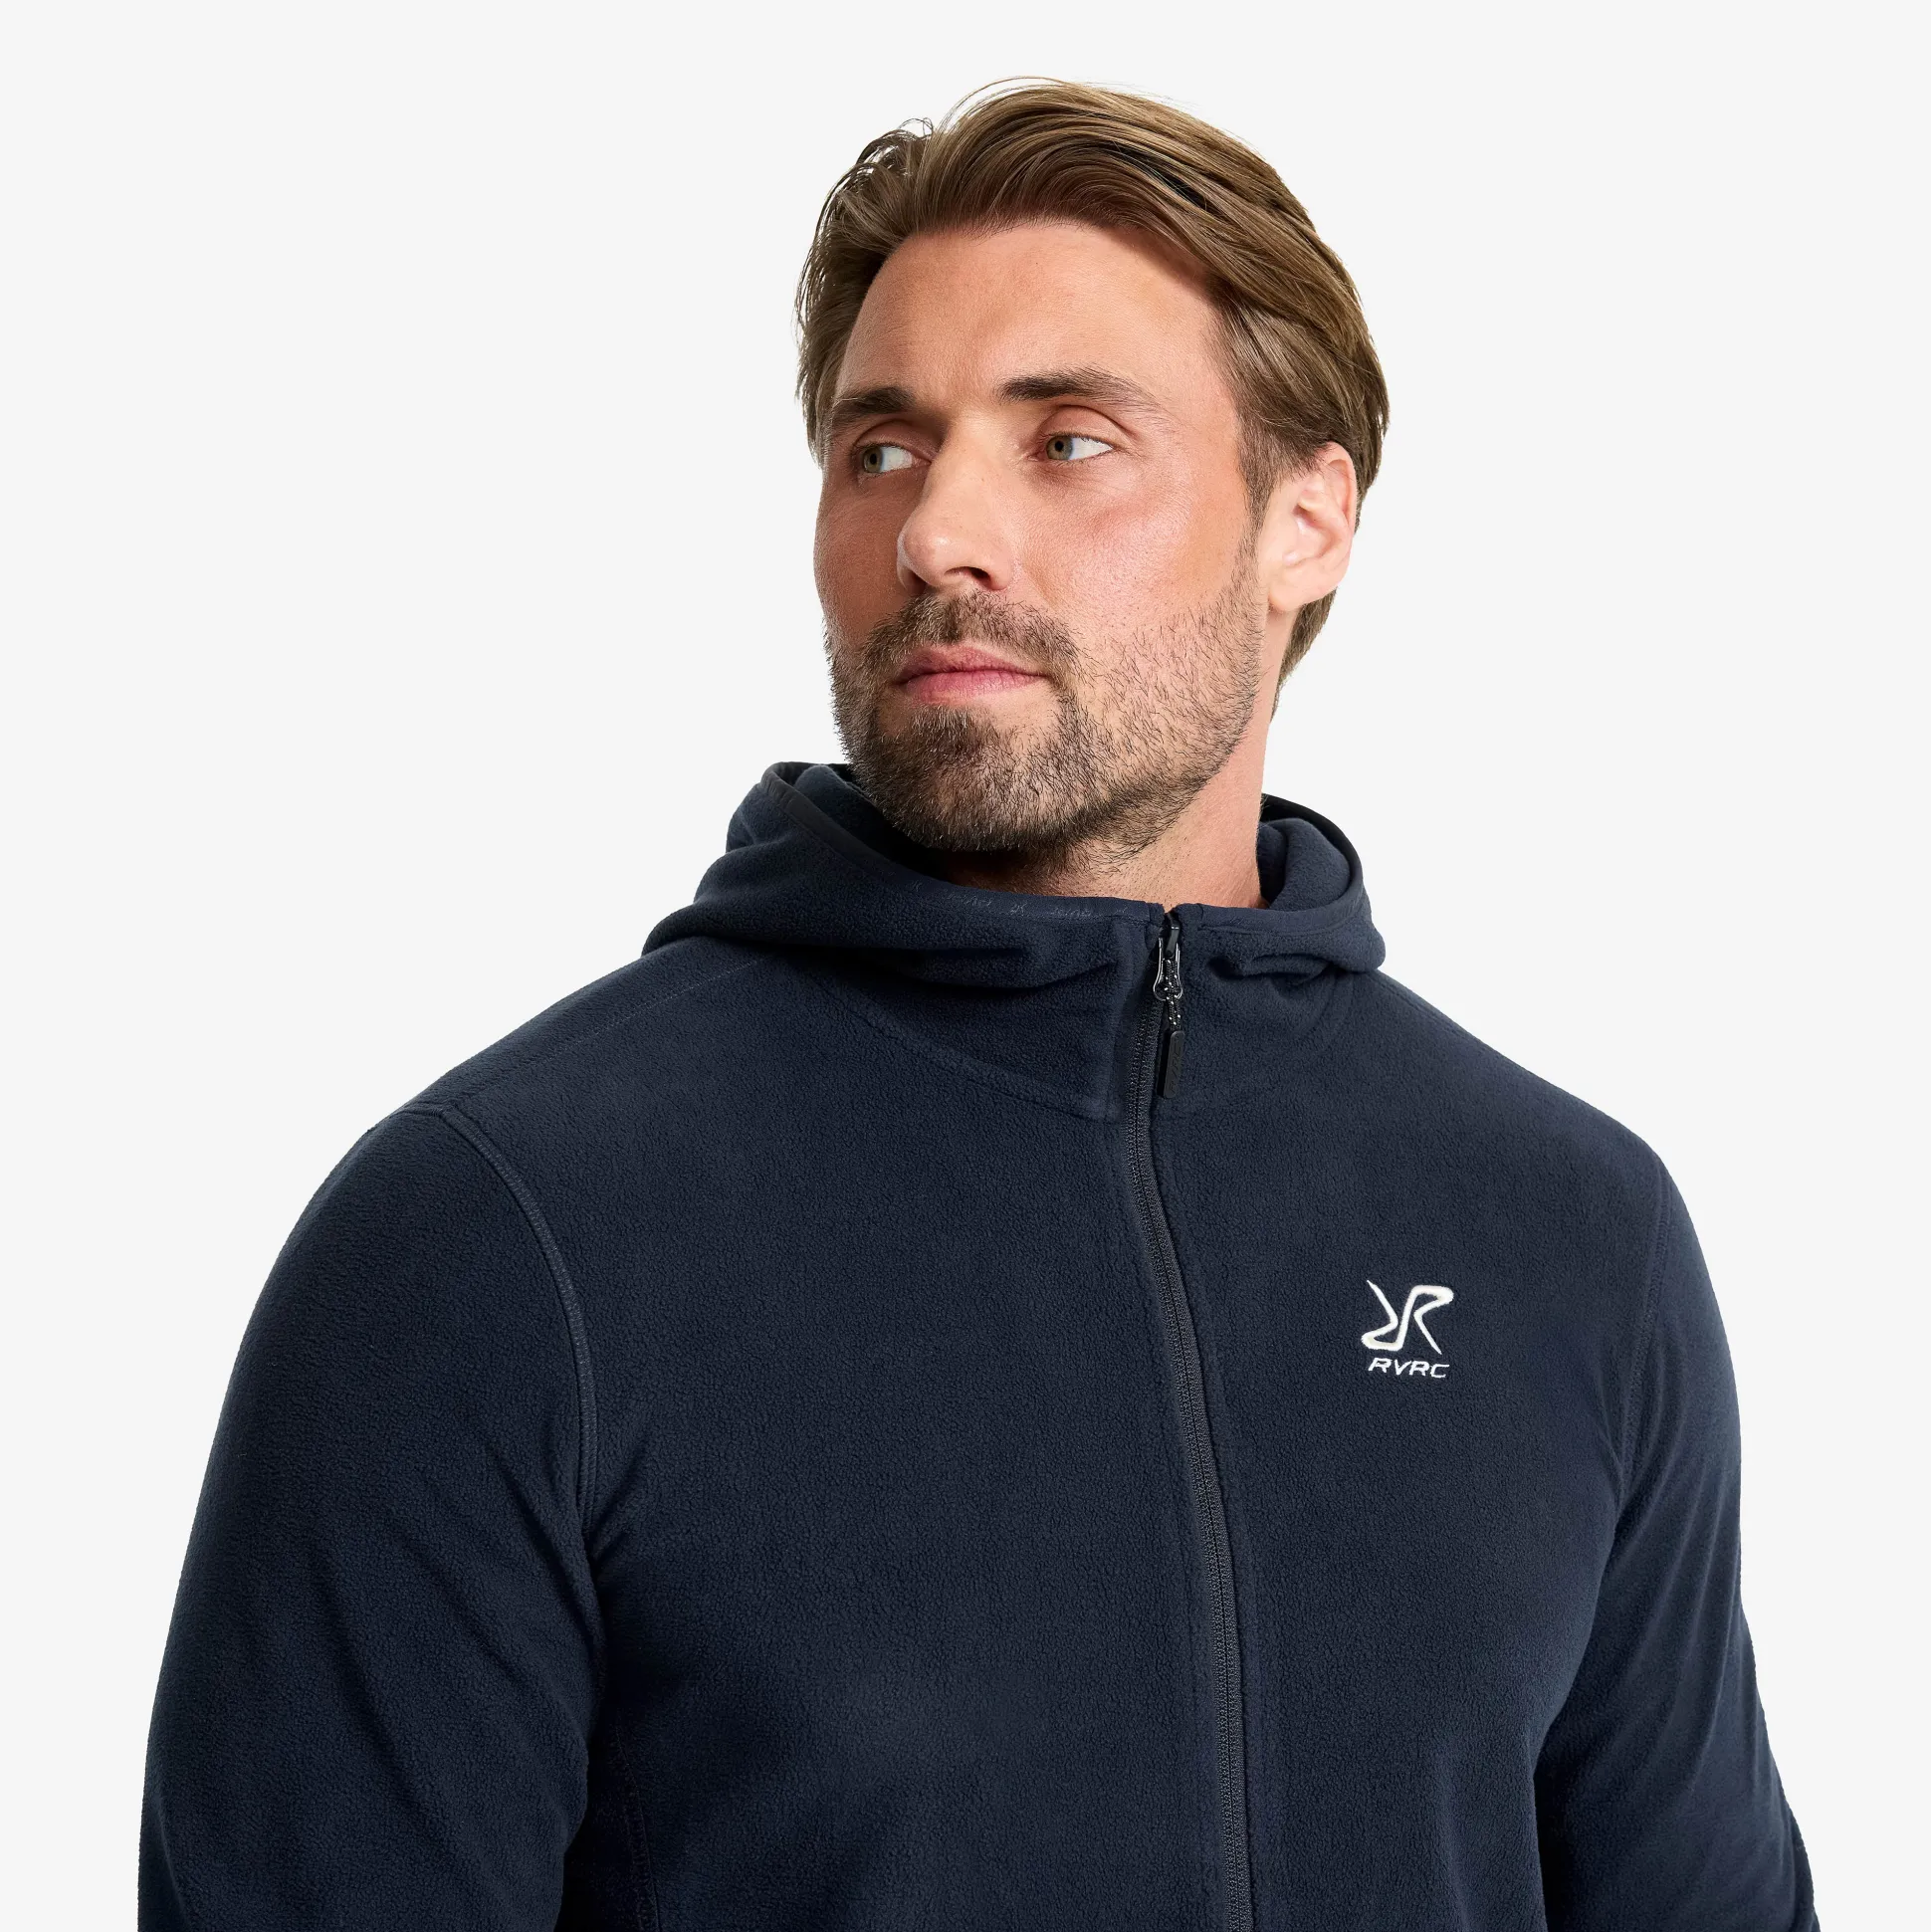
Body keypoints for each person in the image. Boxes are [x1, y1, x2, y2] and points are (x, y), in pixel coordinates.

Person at [140, 79, 1820, 1932]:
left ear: (1308, 521)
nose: (940, 531)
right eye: (881, 449)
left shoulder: (1564, 1233)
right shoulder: (497, 1237)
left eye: (1069, 441)